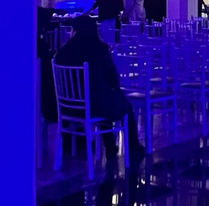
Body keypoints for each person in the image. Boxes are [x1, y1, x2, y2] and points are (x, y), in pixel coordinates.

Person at [53, 16, 144, 158]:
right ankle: (132, 149)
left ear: (75, 31)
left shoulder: (62, 52)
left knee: (104, 98)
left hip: (68, 108)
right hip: (94, 106)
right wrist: (116, 89)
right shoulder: (99, 49)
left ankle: (111, 147)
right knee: (123, 105)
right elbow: (113, 77)